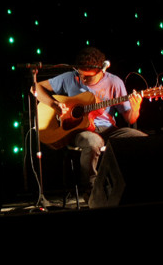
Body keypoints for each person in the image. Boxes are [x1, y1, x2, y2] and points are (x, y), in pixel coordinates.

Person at [33, 47, 146, 202]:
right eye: (81, 75)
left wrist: (136, 108)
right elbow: (35, 87)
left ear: (101, 71)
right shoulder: (70, 77)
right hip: (79, 131)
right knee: (93, 142)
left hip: (108, 130)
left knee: (140, 138)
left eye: (88, 77)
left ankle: (140, 186)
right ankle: (92, 192)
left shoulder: (114, 82)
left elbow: (130, 119)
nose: (83, 80)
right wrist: (54, 105)